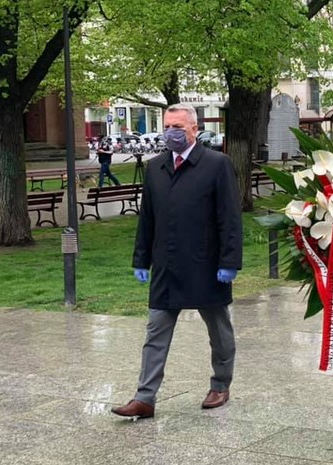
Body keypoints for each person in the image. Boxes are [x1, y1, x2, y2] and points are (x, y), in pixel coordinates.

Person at [111, 104, 243, 419]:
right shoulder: (156, 167)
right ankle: (145, 397)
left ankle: (220, 385)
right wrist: (141, 259)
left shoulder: (217, 164)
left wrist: (229, 261)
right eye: (167, 126)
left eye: (178, 127)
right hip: (166, 266)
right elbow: (147, 218)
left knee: (219, 331)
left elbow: (230, 218)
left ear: (194, 129)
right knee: (155, 332)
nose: (171, 132)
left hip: (206, 266)